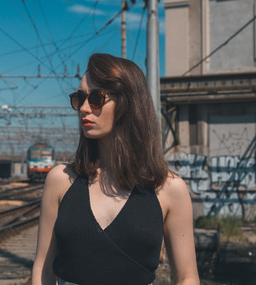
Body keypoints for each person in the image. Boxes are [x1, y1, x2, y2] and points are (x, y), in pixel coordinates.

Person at [32, 53, 199, 285]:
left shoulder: (170, 189)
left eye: (96, 98)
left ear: (128, 103)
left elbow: (187, 277)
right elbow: (43, 270)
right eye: (79, 98)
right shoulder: (61, 181)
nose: (83, 108)